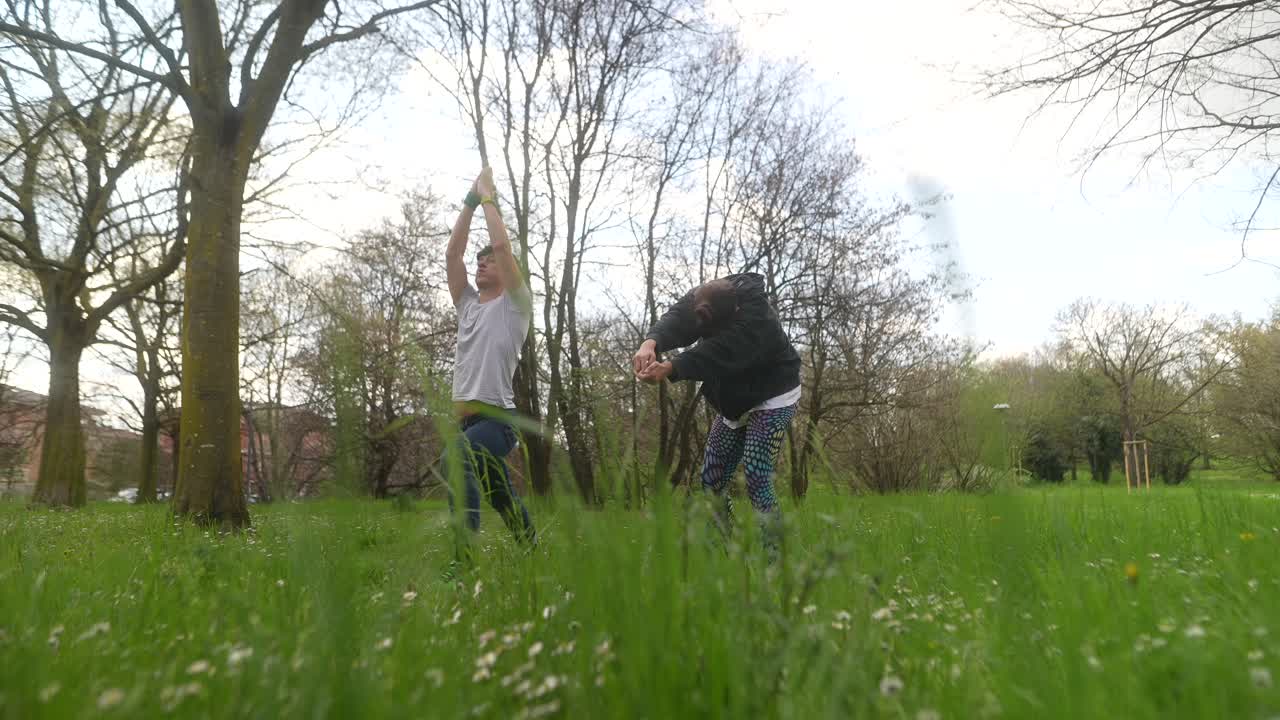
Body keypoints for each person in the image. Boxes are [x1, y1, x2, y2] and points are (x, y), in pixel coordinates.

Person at [634, 273, 801, 561]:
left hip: (773, 396)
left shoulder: (756, 320)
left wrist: (670, 368)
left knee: (757, 475)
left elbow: (719, 352)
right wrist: (651, 342)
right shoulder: (706, 296)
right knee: (712, 480)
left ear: (733, 312)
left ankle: (777, 559)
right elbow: (678, 317)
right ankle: (727, 550)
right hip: (732, 404)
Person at [443, 167, 536, 549]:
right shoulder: (467, 305)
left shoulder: (515, 305)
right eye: (479, 262)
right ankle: (531, 549)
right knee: (499, 493)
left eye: (489, 262)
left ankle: (462, 559)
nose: (482, 264)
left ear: (509, 271)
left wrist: (488, 198)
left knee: (458, 458)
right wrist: (468, 201)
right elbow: (453, 253)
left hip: (497, 420)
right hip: (466, 421)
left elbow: (502, 248)